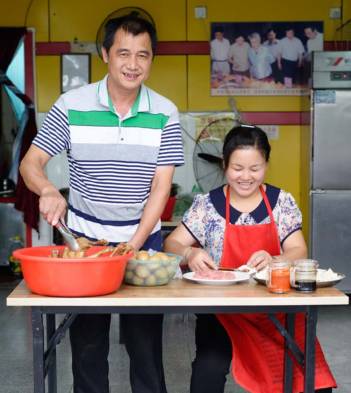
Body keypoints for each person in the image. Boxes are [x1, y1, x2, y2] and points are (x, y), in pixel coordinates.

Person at [19, 13, 184, 393]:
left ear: (151, 60)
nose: (133, 64)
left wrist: (136, 243)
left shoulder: (164, 112)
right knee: (88, 346)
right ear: (106, 54)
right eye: (123, 53)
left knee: (145, 346)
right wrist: (46, 189)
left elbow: (161, 187)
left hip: (142, 241)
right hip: (85, 242)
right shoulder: (71, 104)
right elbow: (32, 162)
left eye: (143, 55)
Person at [164, 125, 336, 393]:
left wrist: (276, 258)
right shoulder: (207, 205)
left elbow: (298, 250)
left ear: (266, 165)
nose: (246, 177)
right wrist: (190, 252)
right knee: (208, 369)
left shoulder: (281, 202)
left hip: (276, 309)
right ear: (224, 165)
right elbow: (172, 243)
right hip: (221, 312)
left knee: (312, 376)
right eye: (237, 168)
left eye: (255, 169)